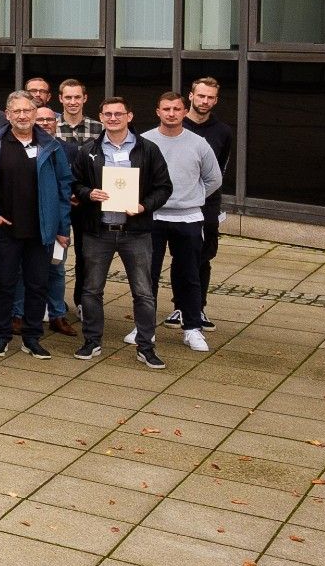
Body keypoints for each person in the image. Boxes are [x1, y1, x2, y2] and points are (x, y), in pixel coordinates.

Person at [69, 98, 173, 366]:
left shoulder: (148, 150)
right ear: (101, 118)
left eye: (118, 114)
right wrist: (88, 193)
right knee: (91, 290)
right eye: (108, 114)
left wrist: (143, 205)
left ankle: (146, 346)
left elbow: (164, 187)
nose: (113, 118)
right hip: (98, 230)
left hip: (135, 232)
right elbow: (75, 183)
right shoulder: (89, 150)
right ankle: (92, 341)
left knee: (143, 292)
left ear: (129, 116)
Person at [0, 92, 72, 360]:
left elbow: (64, 188)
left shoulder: (51, 145)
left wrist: (63, 228)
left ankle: (32, 338)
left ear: (35, 112)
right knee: (4, 284)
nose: (22, 116)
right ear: (7, 114)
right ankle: (1, 336)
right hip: (4, 228)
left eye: (27, 111)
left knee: (37, 284)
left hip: (41, 229)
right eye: (16, 111)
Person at [142, 92, 224, 352]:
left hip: (188, 218)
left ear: (183, 110)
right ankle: (144, 328)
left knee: (189, 274)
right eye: (166, 109)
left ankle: (192, 328)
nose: (171, 113)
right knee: (147, 274)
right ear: (158, 111)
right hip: (153, 216)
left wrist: (192, 197)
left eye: (176, 109)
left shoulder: (198, 143)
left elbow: (214, 179)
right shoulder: (144, 141)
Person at [180, 76, 233, 332]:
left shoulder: (222, 131)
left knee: (203, 256)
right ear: (190, 96)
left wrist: (203, 195)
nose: (205, 101)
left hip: (208, 203)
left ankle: (198, 307)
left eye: (210, 97)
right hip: (177, 202)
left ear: (216, 100)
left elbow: (219, 170)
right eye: (201, 95)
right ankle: (180, 306)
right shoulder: (176, 124)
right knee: (181, 254)